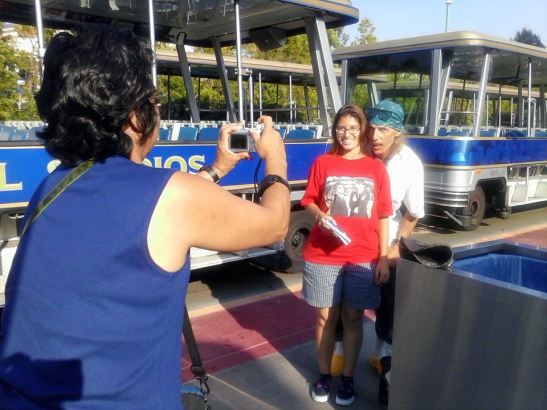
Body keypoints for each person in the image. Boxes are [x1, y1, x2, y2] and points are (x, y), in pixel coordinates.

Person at [0, 25, 290, 409]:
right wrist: (276, 158)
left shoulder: (51, 187)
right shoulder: (172, 197)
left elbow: (140, 213)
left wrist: (217, 169)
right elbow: (274, 224)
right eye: (154, 101)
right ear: (136, 116)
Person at [301, 104, 392, 406]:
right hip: (323, 254)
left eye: (353, 128)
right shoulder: (323, 162)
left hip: (362, 256)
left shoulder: (376, 168)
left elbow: (384, 214)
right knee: (325, 317)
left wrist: (383, 258)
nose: (346, 134)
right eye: (341, 128)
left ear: (362, 130)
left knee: (353, 318)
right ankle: (325, 375)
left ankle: (348, 378)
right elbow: (309, 200)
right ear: (334, 130)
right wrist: (319, 215)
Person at [365, 99, 425, 405]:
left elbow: (414, 212)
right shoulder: (359, 152)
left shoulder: (409, 163)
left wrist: (393, 247)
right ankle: (338, 351)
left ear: (397, 132)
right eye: (372, 128)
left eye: (383, 130)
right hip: (353, 241)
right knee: (343, 300)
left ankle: (382, 351)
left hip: (386, 242)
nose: (375, 136)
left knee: (387, 300)